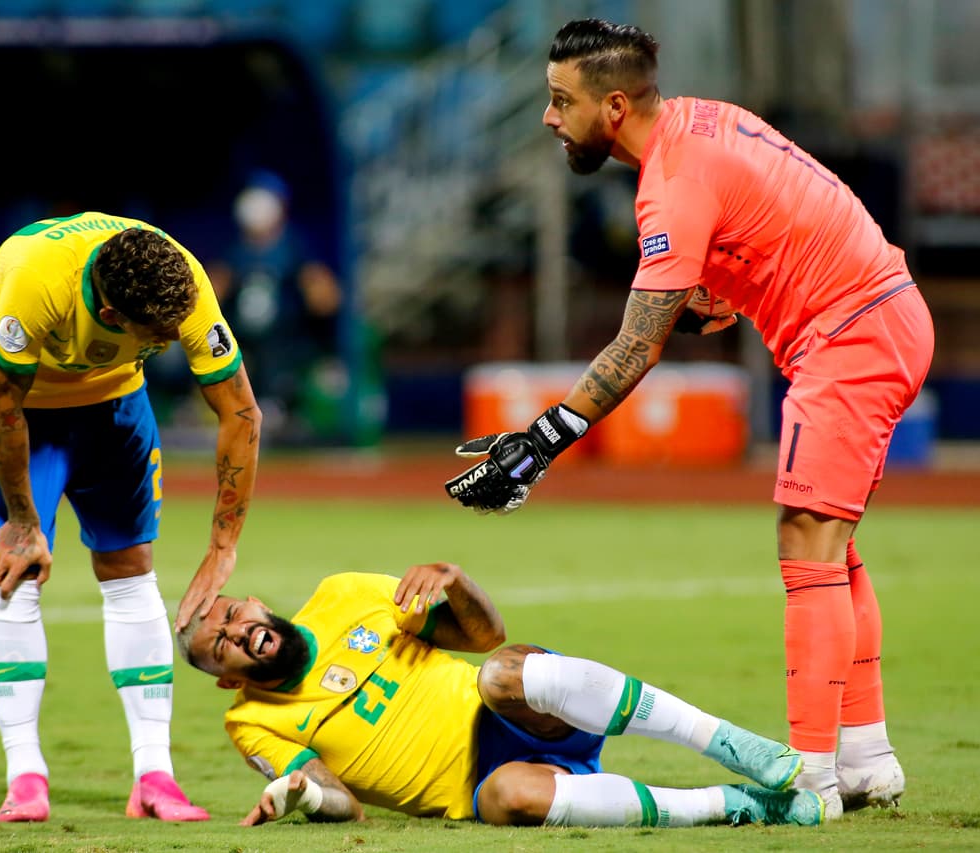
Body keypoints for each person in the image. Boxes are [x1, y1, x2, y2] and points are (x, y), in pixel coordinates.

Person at [442, 19, 934, 820]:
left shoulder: (671, 182)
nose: (547, 116)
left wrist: (538, 444)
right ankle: (864, 756)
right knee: (832, 546)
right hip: (878, 316)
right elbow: (776, 218)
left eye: (560, 100)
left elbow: (635, 349)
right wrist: (725, 287)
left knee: (807, 537)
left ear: (614, 106)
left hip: (851, 333)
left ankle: (809, 774)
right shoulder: (701, 121)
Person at [0, 212, 263, 822]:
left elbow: (241, 412)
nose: (176, 340)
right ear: (115, 316)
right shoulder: (34, 286)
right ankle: (26, 777)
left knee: (130, 571)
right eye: (160, 333)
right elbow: (1, 403)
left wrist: (223, 544)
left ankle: (156, 776)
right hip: (14, 406)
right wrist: (23, 520)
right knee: (15, 572)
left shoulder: (184, 284)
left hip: (112, 403)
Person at [176, 561, 825, 829]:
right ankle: (735, 804)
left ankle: (728, 741)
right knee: (505, 797)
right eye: (220, 646)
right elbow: (344, 804)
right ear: (227, 678)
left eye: (232, 613)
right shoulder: (252, 723)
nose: (237, 632)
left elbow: (488, 634)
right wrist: (304, 794)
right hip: (486, 784)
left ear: (254, 601)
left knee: (498, 672)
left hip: (518, 710)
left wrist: (457, 582)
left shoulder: (344, 593)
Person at [210, 171, 343, 445]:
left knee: (281, 363)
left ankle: (277, 412)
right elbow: (215, 286)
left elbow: (324, 295)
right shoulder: (236, 250)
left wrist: (318, 291)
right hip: (243, 337)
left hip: (285, 339)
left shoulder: (294, 246)